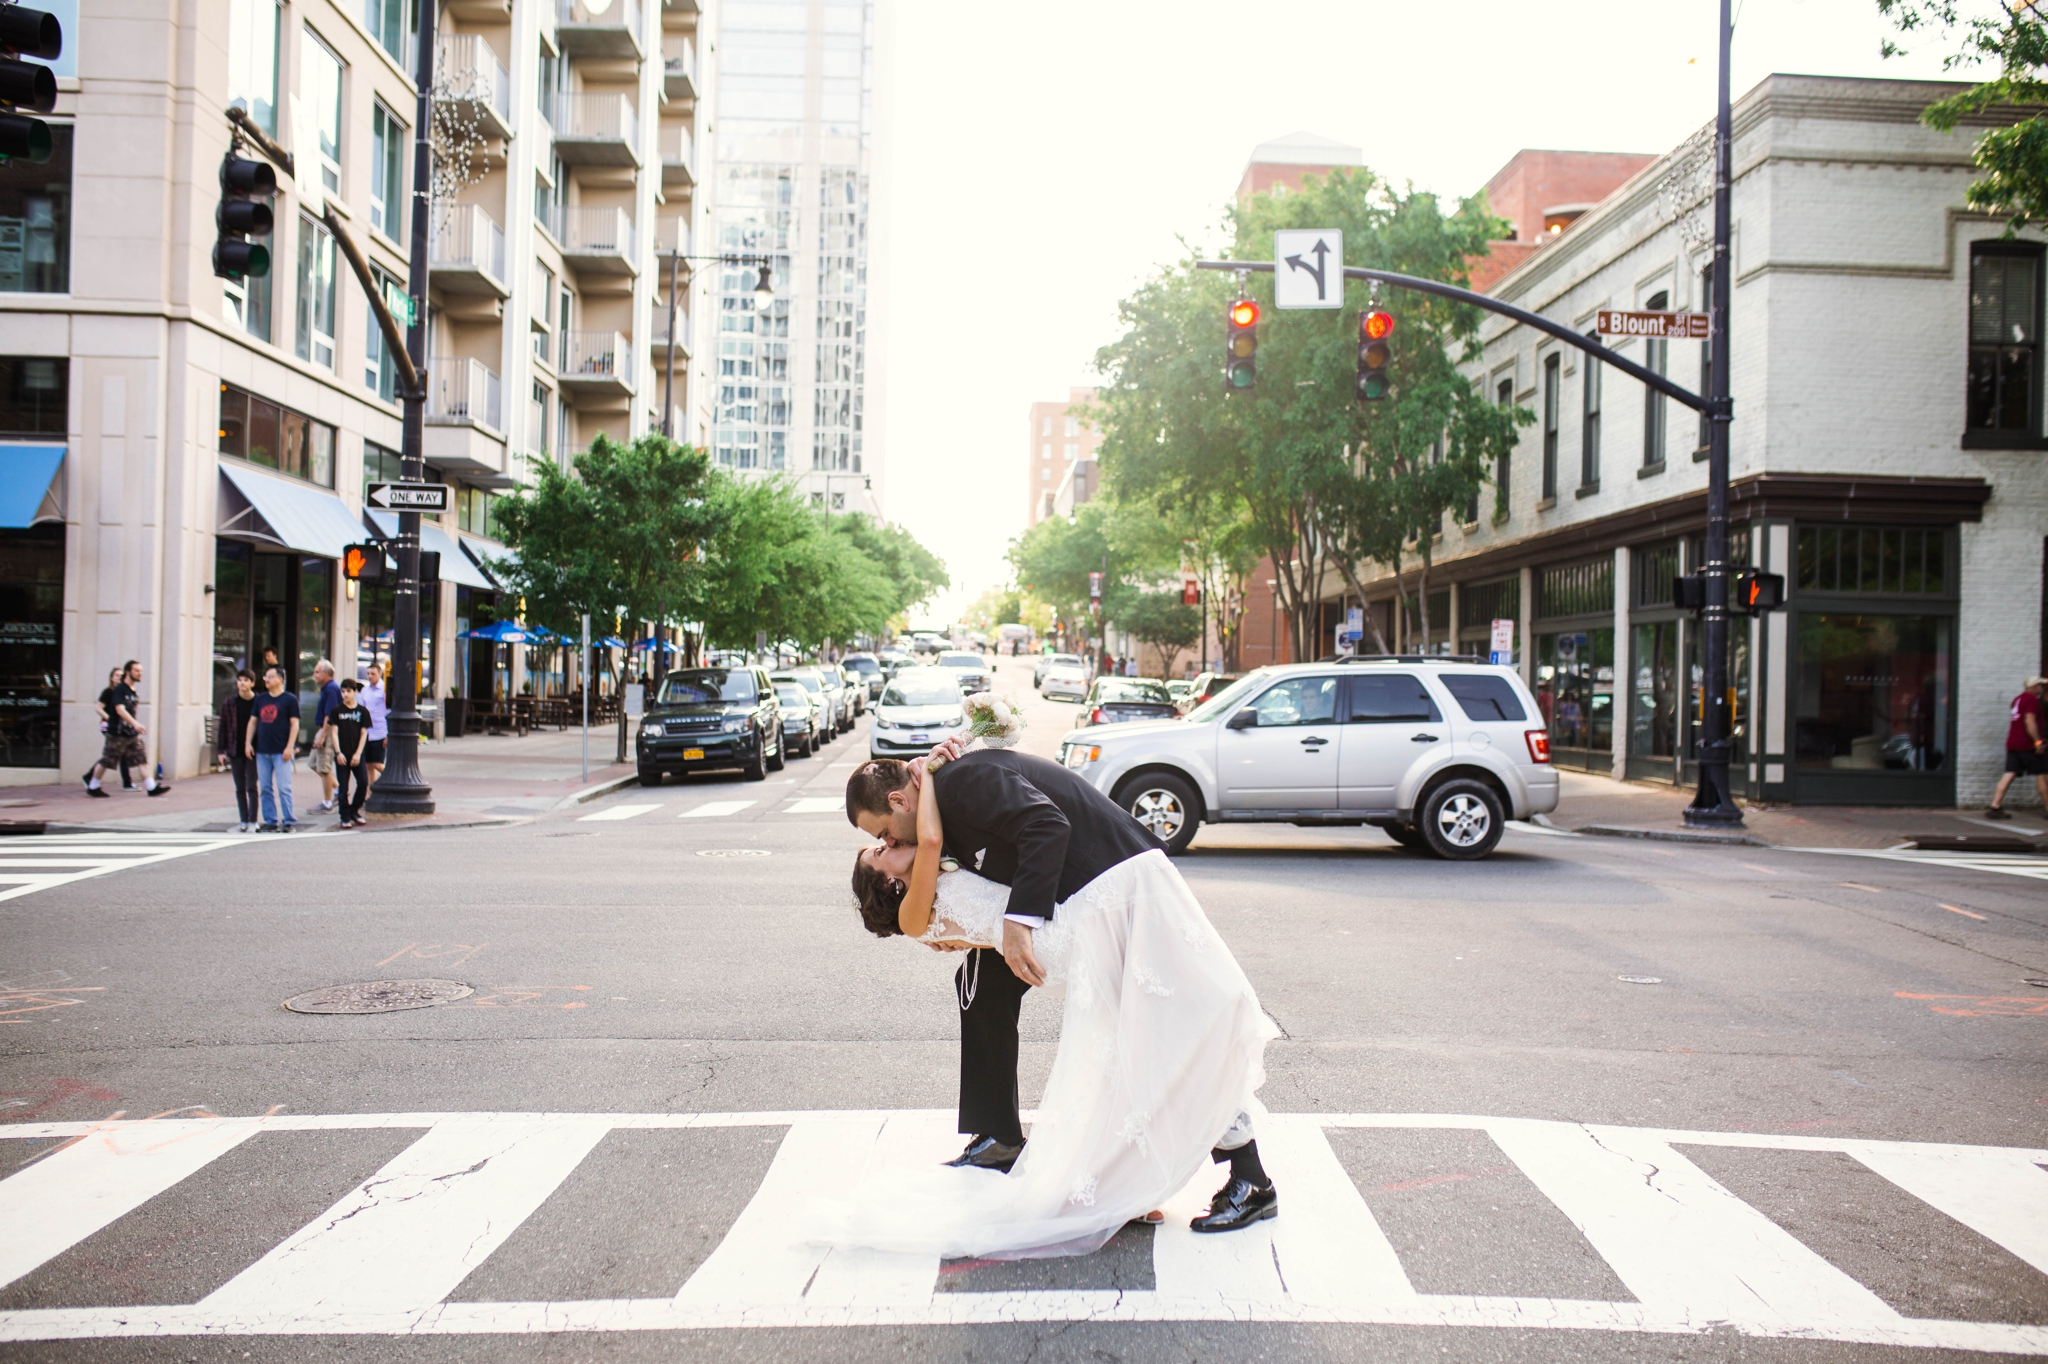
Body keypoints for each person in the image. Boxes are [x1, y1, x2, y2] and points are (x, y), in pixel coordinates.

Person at [833, 743, 1278, 1260]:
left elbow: (1046, 824)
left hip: (1121, 884)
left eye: (881, 832)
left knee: (1196, 1021)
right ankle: (1198, 1178)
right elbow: (954, 848)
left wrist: (1017, 923)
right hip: (1094, 907)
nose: (886, 840)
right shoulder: (941, 802)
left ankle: (1246, 1179)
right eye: (880, 845)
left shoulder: (959, 783)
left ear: (899, 801)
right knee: (1157, 1037)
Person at [86, 660, 168, 797]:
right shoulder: (120, 689)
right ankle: (93, 785)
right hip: (117, 733)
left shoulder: (132, 690)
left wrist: (134, 727)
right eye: (137, 671)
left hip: (131, 733)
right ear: (128, 672)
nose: (140, 673)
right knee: (108, 760)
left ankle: (151, 787)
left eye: (141, 671)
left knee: (141, 758)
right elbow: (120, 710)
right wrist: (136, 724)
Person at [1987, 674, 2048, 820]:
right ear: (2033, 687)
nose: (2041, 688)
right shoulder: (2032, 700)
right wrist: (2037, 742)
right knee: (2042, 774)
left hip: (2013, 742)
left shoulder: (2017, 699)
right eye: (2039, 685)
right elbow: (2029, 721)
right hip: (2027, 744)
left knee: (2010, 772)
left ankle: (1995, 806)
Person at [247, 666, 300, 831]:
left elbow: (295, 725)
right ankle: (271, 820)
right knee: (264, 787)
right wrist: (248, 743)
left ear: (280, 679)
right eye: (265, 677)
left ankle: (289, 820)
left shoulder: (289, 699)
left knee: (284, 787)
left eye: (270, 676)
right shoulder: (260, 699)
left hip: (281, 751)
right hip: (262, 750)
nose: (266, 679)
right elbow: (253, 721)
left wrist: (290, 746)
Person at [215, 670, 259, 832]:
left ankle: (253, 820)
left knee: (251, 786)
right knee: (240, 787)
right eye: (239, 680)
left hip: (254, 750)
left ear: (252, 683)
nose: (242, 683)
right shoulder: (230, 703)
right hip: (235, 750)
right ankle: (244, 820)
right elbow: (223, 727)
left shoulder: (259, 701)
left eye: (246, 680)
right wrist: (221, 751)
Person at [329, 677, 371, 828]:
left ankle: (354, 810)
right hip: (342, 754)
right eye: (343, 691)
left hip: (357, 754)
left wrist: (358, 753)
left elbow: (363, 733)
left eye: (348, 691)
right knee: (343, 787)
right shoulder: (337, 711)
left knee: (363, 782)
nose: (345, 694)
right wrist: (338, 752)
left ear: (355, 692)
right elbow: (334, 732)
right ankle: (344, 816)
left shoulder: (362, 711)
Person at [87, 667, 133, 789]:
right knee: (115, 753)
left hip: (120, 726)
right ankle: (127, 783)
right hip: (108, 725)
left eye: (121, 675)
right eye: (116, 675)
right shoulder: (108, 692)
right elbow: (98, 708)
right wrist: (109, 718)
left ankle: (89, 777)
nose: (119, 677)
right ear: (111, 678)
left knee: (114, 753)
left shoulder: (123, 691)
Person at [307, 660, 341, 814]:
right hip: (322, 729)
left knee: (324, 767)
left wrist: (322, 736)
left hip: (327, 731)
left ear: (326, 674)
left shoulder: (331, 689)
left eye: (317, 672)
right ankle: (338, 790)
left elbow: (330, 714)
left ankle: (327, 803)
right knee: (313, 762)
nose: (314, 675)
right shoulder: (326, 688)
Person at [360, 662, 390, 791]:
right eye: (368, 674)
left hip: (380, 731)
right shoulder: (364, 691)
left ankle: (391, 780)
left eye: (373, 674)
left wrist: (388, 734)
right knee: (368, 765)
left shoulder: (384, 690)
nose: (370, 676)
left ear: (380, 674)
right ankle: (371, 794)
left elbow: (389, 711)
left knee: (378, 763)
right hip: (368, 732)